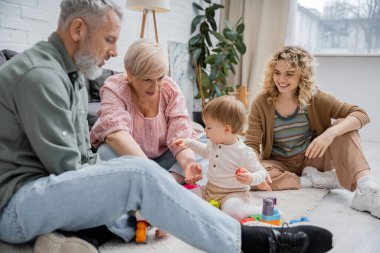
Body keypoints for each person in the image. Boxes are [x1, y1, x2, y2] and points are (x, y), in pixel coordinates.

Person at [0, 1, 334, 252]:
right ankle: (252, 243)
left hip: (49, 194)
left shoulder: (70, 76)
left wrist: (151, 194)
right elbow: (72, 169)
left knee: (190, 153)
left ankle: (77, 236)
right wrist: (142, 195)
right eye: (110, 40)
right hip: (18, 205)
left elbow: (83, 160)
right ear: (77, 30)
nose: (114, 51)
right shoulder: (41, 77)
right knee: (137, 173)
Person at [245, 45, 380, 219]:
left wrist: (329, 134)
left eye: (289, 73)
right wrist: (253, 168)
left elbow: (361, 114)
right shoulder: (261, 102)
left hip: (313, 158)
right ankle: (314, 181)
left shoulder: (316, 97)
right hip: (279, 163)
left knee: (344, 126)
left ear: (302, 75)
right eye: (277, 72)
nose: (281, 79)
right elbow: (252, 144)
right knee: (252, 180)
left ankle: (367, 188)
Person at [173, 96, 270, 221]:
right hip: (209, 189)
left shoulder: (244, 152)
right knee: (184, 196)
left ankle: (258, 209)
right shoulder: (213, 143)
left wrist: (251, 178)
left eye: (208, 127)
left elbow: (261, 172)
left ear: (226, 129)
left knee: (233, 212)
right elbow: (204, 151)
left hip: (233, 194)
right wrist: (188, 142)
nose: (205, 130)